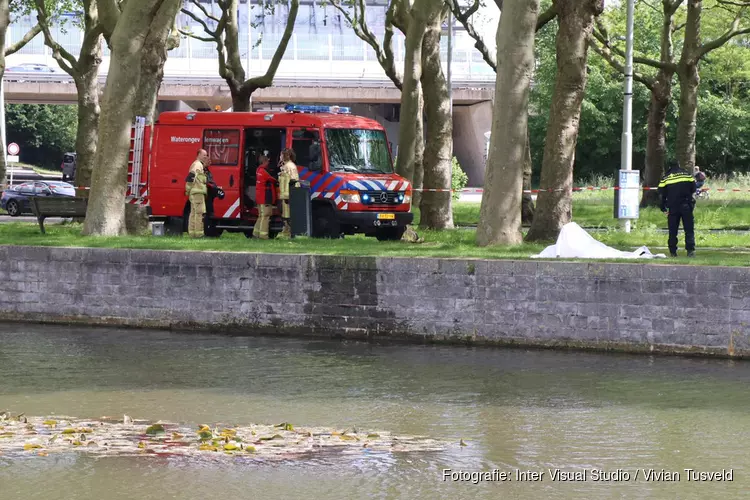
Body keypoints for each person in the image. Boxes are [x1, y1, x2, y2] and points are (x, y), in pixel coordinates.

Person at [658, 160, 697, 257]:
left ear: (669, 167)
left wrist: (663, 207)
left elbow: (662, 194)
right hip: (686, 205)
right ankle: (690, 251)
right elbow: (694, 189)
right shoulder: (687, 175)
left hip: (673, 207)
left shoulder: (665, 178)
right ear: (679, 165)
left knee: (672, 230)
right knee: (689, 229)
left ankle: (673, 252)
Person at [185, 150, 209, 238]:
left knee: (193, 213)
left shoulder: (198, 164)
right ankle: (199, 235)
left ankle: (192, 233)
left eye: (206, 155)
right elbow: (190, 177)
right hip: (198, 193)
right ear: (198, 154)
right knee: (199, 214)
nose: (205, 157)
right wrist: (188, 190)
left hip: (195, 193)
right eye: (204, 155)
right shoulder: (198, 165)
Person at [252, 155, 277, 239]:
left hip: (260, 197)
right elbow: (272, 179)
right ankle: (263, 236)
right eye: (267, 161)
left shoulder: (258, 170)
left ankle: (256, 234)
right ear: (264, 162)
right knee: (265, 216)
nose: (268, 163)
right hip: (265, 198)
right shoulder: (263, 171)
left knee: (261, 216)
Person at [278, 148, 299, 238]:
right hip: (287, 194)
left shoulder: (289, 166)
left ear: (285, 156)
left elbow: (292, 181)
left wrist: (288, 196)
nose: (280, 157)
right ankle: (286, 232)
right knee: (286, 214)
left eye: (281, 155)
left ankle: (289, 233)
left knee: (287, 215)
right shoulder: (288, 165)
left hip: (288, 195)